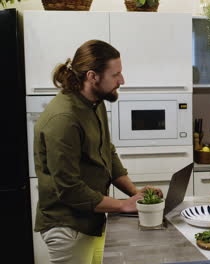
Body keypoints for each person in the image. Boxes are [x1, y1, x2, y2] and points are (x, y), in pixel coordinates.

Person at [34, 40, 162, 264]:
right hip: (68, 227)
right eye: (116, 74)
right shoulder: (64, 119)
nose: (122, 80)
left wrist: (134, 194)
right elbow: (70, 189)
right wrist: (123, 205)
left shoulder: (95, 103)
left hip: (91, 219)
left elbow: (107, 152)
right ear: (92, 76)